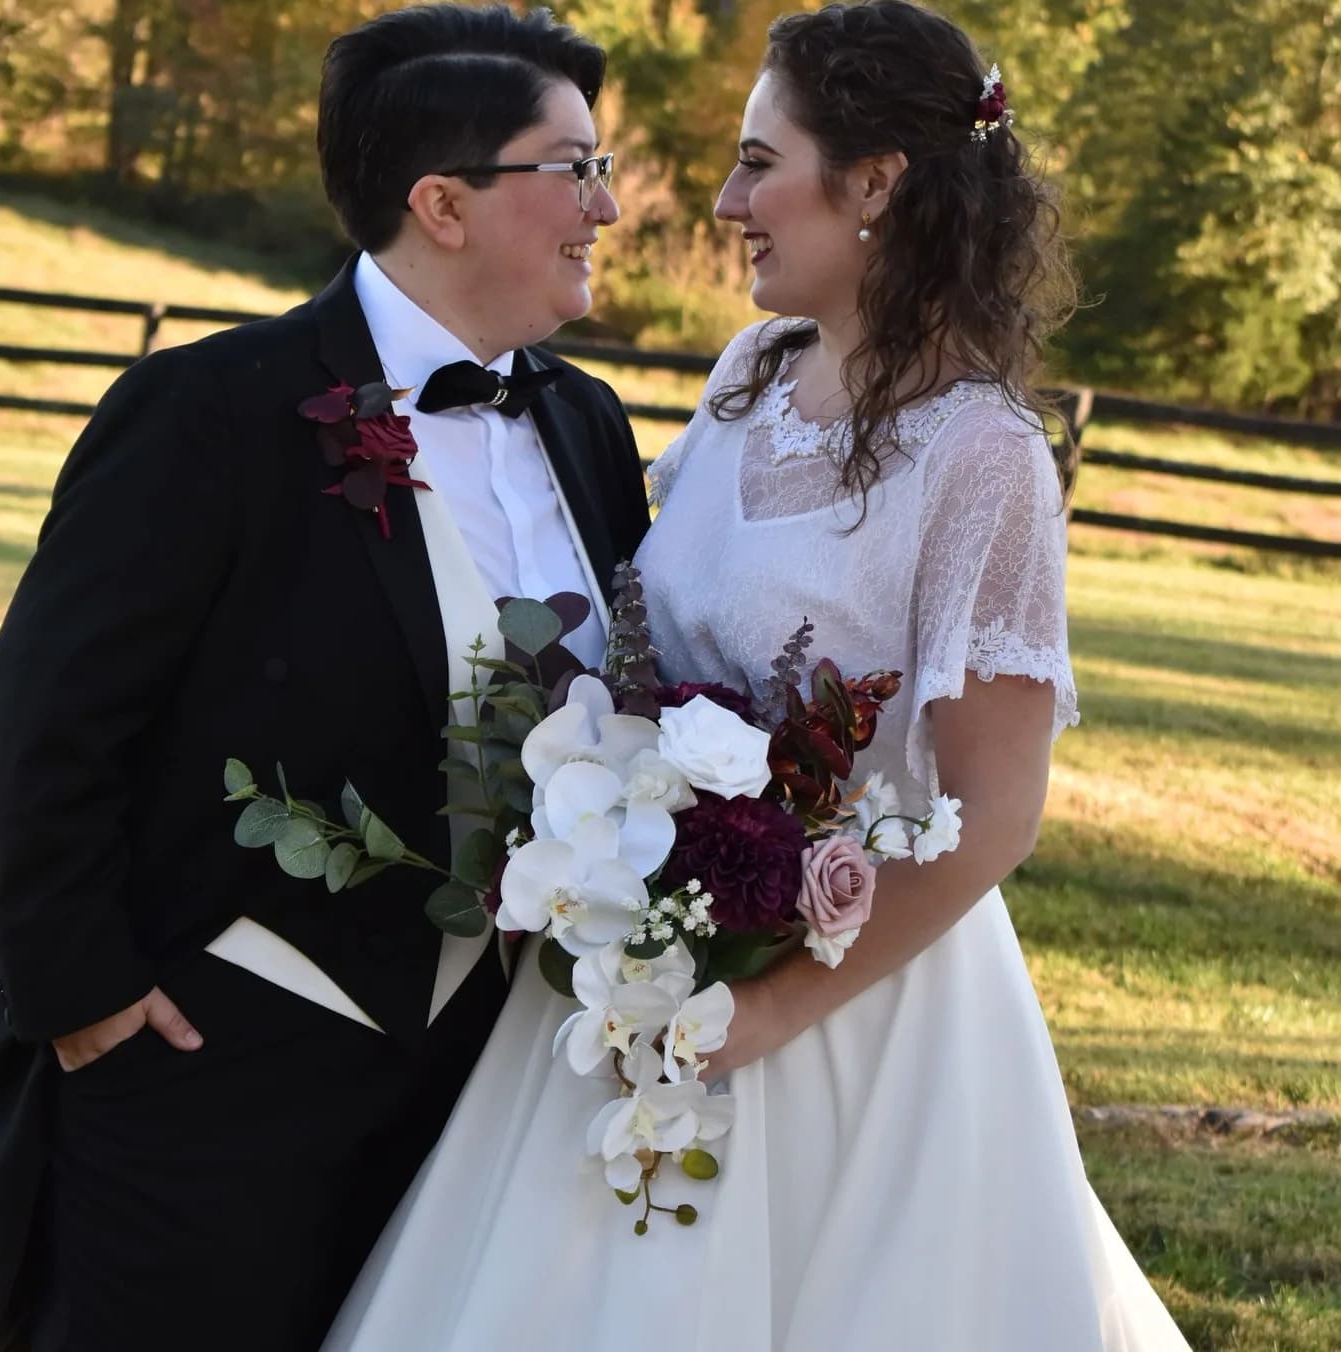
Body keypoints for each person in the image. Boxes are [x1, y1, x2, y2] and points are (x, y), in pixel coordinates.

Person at [319, 3, 1193, 1350]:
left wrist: (766, 1010)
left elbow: (995, 815)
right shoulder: (750, 376)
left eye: (756, 162)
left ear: (877, 185)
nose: (725, 200)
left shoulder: (985, 463)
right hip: (642, 968)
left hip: (853, 1018)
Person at [0, 5, 647, 1349]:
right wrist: (88, 996)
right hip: (204, 1066)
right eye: (570, 169)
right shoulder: (209, 410)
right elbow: (49, 719)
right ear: (443, 204)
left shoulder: (584, 422)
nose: (608, 205)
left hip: (480, 1092)